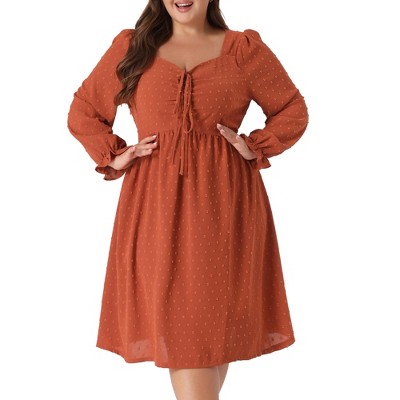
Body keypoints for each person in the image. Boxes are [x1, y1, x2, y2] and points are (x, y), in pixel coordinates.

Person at [67, 0, 309, 398]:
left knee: (211, 335)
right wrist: (115, 153)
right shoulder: (133, 47)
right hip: (155, 210)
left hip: (227, 210)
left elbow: (292, 109)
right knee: (189, 334)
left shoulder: (243, 50)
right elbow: (84, 110)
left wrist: (255, 145)